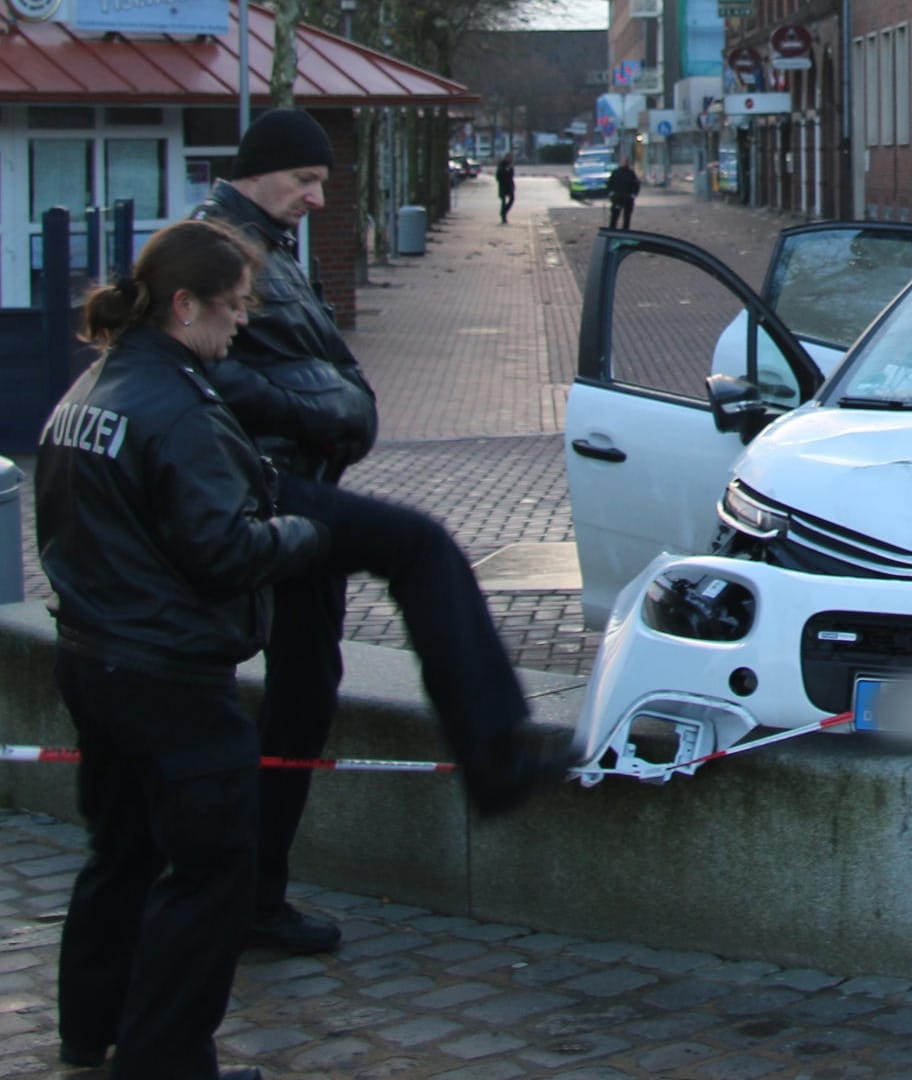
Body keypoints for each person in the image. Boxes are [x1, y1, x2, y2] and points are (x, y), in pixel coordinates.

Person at [191, 108, 574, 958]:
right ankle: (495, 754)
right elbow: (212, 373)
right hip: (264, 489)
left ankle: (256, 896)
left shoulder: (260, 244)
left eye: (324, 180)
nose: (318, 197)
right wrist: (322, 411)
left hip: (292, 480)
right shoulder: (220, 250)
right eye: (304, 180)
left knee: (305, 685)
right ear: (259, 172)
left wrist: (331, 407)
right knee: (420, 547)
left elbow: (309, 368)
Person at [39, 217, 315, 1080]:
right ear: (184, 303)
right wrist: (297, 534)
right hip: (172, 675)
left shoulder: (91, 391)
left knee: (118, 852)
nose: (242, 322)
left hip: (95, 656)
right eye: (232, 306)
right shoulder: (180, 409)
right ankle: (165, 1060)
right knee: (211, 872)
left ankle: (91, 1028)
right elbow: (222, 550)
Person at [606, 156, 640, 231]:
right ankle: (612, 230)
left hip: (628, 199)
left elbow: (636, 185)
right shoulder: (615, 173)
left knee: (627, 217)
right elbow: (609, 184)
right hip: (617, 198)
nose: (623, 163)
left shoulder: (631, 173)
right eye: (622, 162)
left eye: (625, 162)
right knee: (614, 216)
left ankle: (625, 231)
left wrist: (633, 195)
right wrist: (611, 194)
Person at [495, 153, 516, 224]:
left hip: (510, 185)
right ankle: (503, 217)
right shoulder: (502, 164)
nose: (510, 159)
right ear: (506, 158)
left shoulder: (511, 165)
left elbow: (512, 175)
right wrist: (506, 171)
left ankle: (503, 212)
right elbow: (498, 175)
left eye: (511, 158)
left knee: (512, 199)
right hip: (503, 185)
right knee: (503, 201)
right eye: (509, 157)